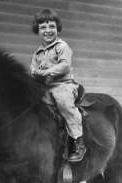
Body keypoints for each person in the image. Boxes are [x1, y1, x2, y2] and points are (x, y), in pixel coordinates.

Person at [30, 8, 86, 162]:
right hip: (45, 87)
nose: (48, 30)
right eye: (43, 27)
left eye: (51, 26)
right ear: (38, 30)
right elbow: (33, 69)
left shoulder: (62, 47)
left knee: (63, 103)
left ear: (57, 28)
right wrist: (35, 74)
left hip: (63, 85)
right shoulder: (37, 53)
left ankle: (77, 141)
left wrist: (48, 71)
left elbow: (64, 66)